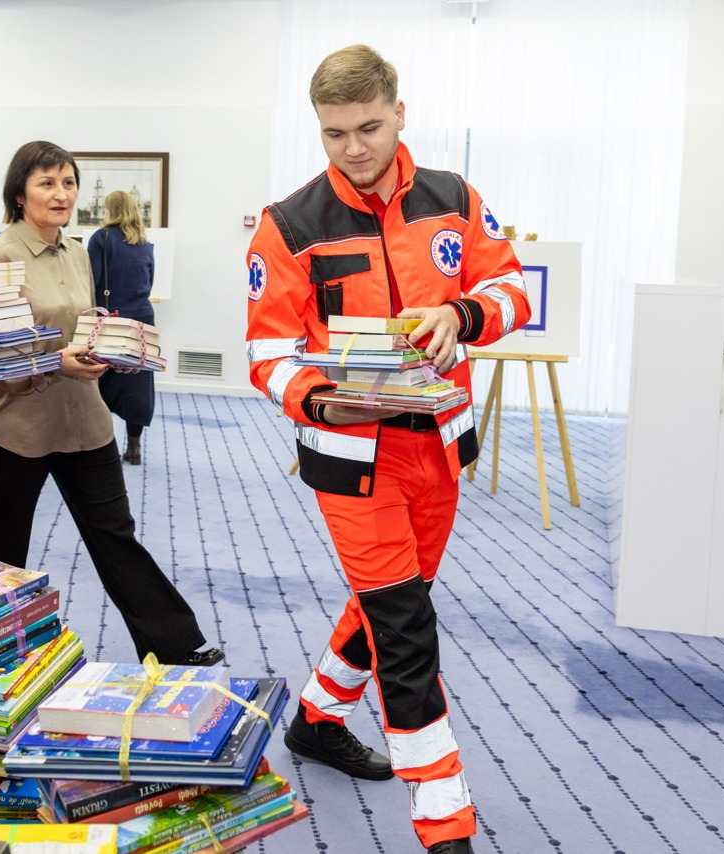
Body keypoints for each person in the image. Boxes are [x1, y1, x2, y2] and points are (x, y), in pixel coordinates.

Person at [245, 46, 530, 854]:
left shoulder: (454, 199)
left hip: (439, 446)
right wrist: (314, 395)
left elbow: (512, 289)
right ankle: (446, 826)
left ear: (399, 114)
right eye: (334, 133)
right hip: (349, 456)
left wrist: (461, 316)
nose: (354, 148)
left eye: (368, 127)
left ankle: (316, 720)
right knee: (405, 630)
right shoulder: (288, 225)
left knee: (391, 602)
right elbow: (267, 353)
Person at [0, 141, 223, 668]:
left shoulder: (77, 251)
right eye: (47, 183)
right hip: (19, 427)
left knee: (115, 536)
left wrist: (109, 350)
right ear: (19, 194)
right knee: (1, 549)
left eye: (68, 183)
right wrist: (54, 361)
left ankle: (174, 647)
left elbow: (80, 327)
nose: (61, 194)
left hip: (85, 420)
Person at [86, 190, 155, 465]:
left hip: (109, 320)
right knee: (137, 384)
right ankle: (134, 447)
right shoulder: (145, 244)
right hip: (142, 319)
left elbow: (91, 282)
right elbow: (149, 283)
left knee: (100, 380)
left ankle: (104, 446)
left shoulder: (100, 238)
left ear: (110, 210)